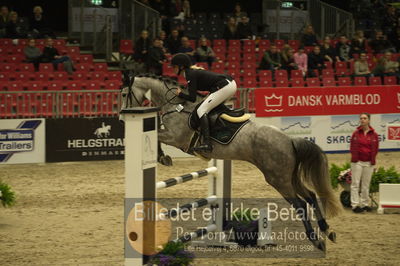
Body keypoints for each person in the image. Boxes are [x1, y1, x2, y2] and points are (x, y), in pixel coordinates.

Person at [171, 53, 236, 152]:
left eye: (174, 67)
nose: (173, 69)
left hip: (224, 86)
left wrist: (180, 94)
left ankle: (207, 143)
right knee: (210, 107)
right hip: (229, 84)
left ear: (181, 66)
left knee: (201, 110)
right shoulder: (190, 72)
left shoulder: (189, 74)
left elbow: (192, 98)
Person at [350, 113, 379, 213]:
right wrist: (355, 159)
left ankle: (364, 204)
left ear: (369, 120)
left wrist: (373, 161)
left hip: (369, 163)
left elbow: (375, 149)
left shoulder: (374, 134)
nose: (362, 120)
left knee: (366, 184)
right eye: (361, 118)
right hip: (357, 162)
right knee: (355, 183)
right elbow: (352, 147)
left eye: (365, 118)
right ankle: (355, 205)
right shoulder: (356, 133)